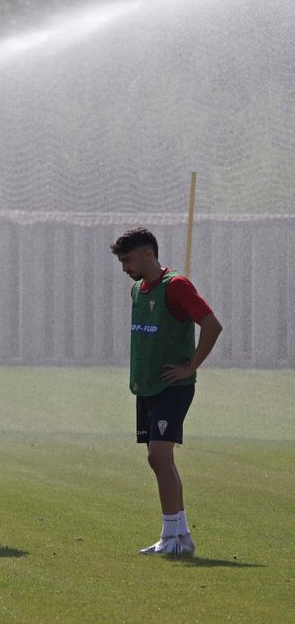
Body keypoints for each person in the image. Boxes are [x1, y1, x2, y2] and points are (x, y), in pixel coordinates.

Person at [111, 226, 223, 556]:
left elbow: (212, 326)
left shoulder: (176, 286)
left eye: (127, 260)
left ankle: (170, 537)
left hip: (173, 387)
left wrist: (190, 367)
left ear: (149, 253)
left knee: (158, 456)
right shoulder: (137, 290)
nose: (125, 269)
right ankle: (180, 536)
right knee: (161, 460)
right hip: (147, 387)